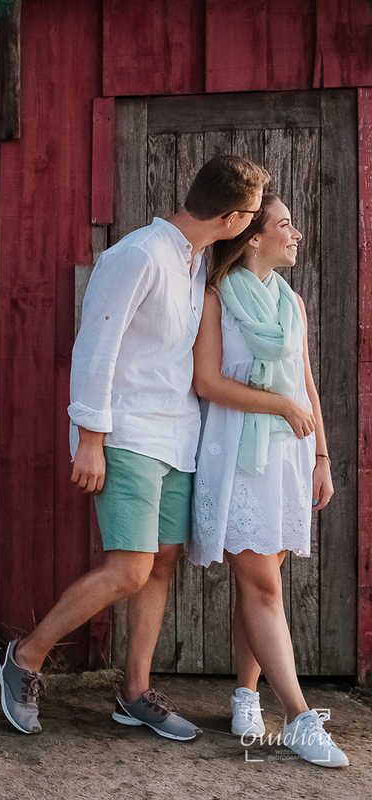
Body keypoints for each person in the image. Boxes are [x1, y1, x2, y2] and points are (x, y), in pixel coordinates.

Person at [0, 154, 270, 739]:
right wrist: (91, 439)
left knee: (161, 564)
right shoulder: (139, 254)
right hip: (128, 434)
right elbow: (97, 345)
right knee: (129, 569)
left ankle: (135, 692)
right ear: (229, 217)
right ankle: (23, 658)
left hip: (178, 436)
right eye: (249, 216)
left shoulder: (196, 264)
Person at [188, 193, 348, 767]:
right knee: (263, 588)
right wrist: (279, 405)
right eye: (284, 224)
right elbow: (207, 383)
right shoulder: (216, 300)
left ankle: (245, 695)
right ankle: (299, 717)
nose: (296, 233)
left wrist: (322, 458)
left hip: (288, 459)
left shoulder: (291, 302)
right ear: (253, 237)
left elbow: (306, 385)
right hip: (237, 456)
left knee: (262, 585)